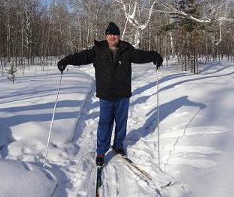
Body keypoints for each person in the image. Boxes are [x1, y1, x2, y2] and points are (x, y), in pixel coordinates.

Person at [57, 22, 163, 166]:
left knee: (121, 122)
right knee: (105, 123)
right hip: (106, 94)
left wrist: (154, 56)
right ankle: (101, 152)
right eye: (110, 34)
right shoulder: (98, 50)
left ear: (119, 36)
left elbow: (140, 55)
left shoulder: (127, 50)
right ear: (106, 36)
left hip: (122, 93)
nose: (113, 37)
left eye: (116, 34)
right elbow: (81, 57)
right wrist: (66, 60)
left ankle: (118, 145)